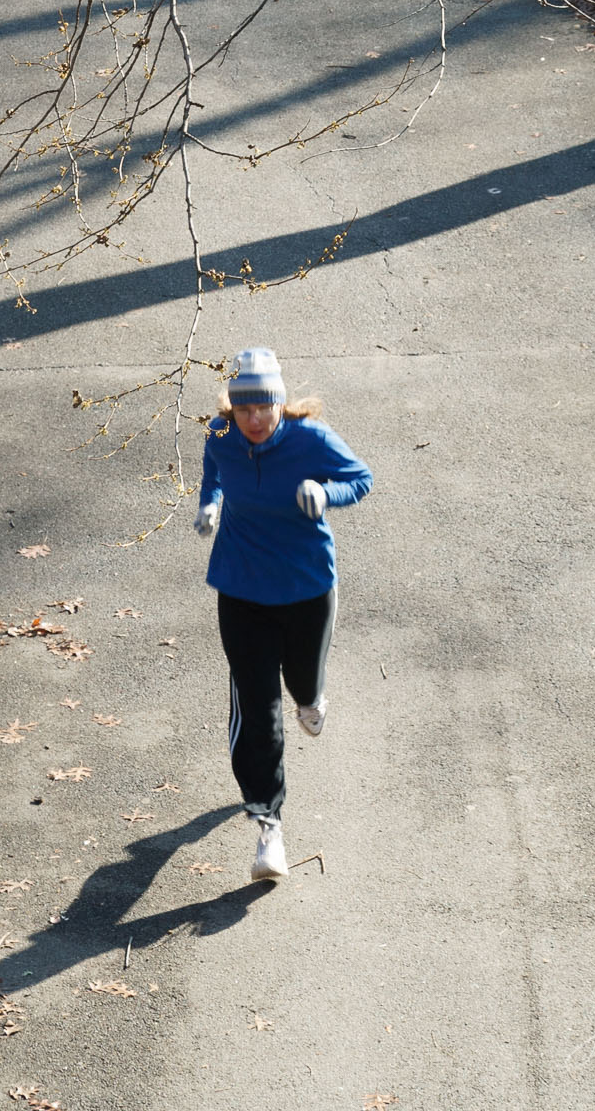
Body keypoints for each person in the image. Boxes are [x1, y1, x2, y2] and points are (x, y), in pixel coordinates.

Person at [194, 345, 373, 883]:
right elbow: (214, 471)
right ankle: (268, 825)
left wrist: (325, 490)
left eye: (264, 409)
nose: (254, 420)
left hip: (306, 587)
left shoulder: (309, 439)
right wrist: (210, 502)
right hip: (242, 588)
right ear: (232, 407)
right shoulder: (222, 436)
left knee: (301, 684)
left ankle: (313, 699)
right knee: (257, 707)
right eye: (244, 409)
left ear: (280, 403)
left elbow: (360, 478)